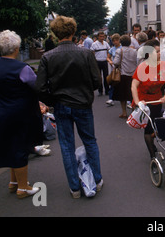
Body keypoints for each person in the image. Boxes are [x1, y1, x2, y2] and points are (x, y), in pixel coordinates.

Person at [35, 16, 103, 198]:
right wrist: (86, 93)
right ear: (73, 32)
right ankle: (97, 180)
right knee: (90, 141)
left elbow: (40, 87)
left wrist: (52, 101)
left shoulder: (47, 57)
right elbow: (97, 81)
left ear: (56, 34)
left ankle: (74, 188)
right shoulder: (86, 53)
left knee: (66, 145)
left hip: (61, 105)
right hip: (82, 104)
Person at [0, 30, 43, 199]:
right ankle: (23, 188)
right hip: (19, 113)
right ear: (16, 48)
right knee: (20, 147)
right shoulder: (22, 68)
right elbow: (37, 86)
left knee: (10, 146)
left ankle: (13, 183)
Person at [131, 39, 165, 159]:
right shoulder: (142, 67)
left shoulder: (163, 65)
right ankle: (152, 156)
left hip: (157, 99)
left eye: (160, 51)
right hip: (145, 100)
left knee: (156, 125)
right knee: (148, 129)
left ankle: (152, 144)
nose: (160, 54)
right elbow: (134, 85)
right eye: (157, 52)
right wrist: (137, 102)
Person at [112, 35, 137, 118]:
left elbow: (115, 62)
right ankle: (133, 112)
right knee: (132, 94)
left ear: (121, 42)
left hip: (123, 74)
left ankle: (124, 112)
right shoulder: (135, 51)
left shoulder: (119, 51)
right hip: (133, 75)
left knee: (122, 95)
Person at [91, 31, 111, 96]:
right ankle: (100, 91)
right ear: (98, 37)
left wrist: (108, 58)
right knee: (99, 77)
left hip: (104, 62)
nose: (102, 38)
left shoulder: (106, 43)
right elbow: (92, 52)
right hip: (97, 62)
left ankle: (107, 90)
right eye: (100, 36)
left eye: (103, 36)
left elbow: (108, 51)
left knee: (106, 76)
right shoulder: (94, 44)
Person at [106, 34, 121, 106]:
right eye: (113, 41)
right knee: (113, 82)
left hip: (122, 67)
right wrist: (110, 61)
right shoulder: (112, 49)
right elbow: (108, 57)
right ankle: (111, 98)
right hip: (114, 68)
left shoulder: (122, 48)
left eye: (116, 40)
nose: (115, 42)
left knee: (123, 83)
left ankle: (127, 100)